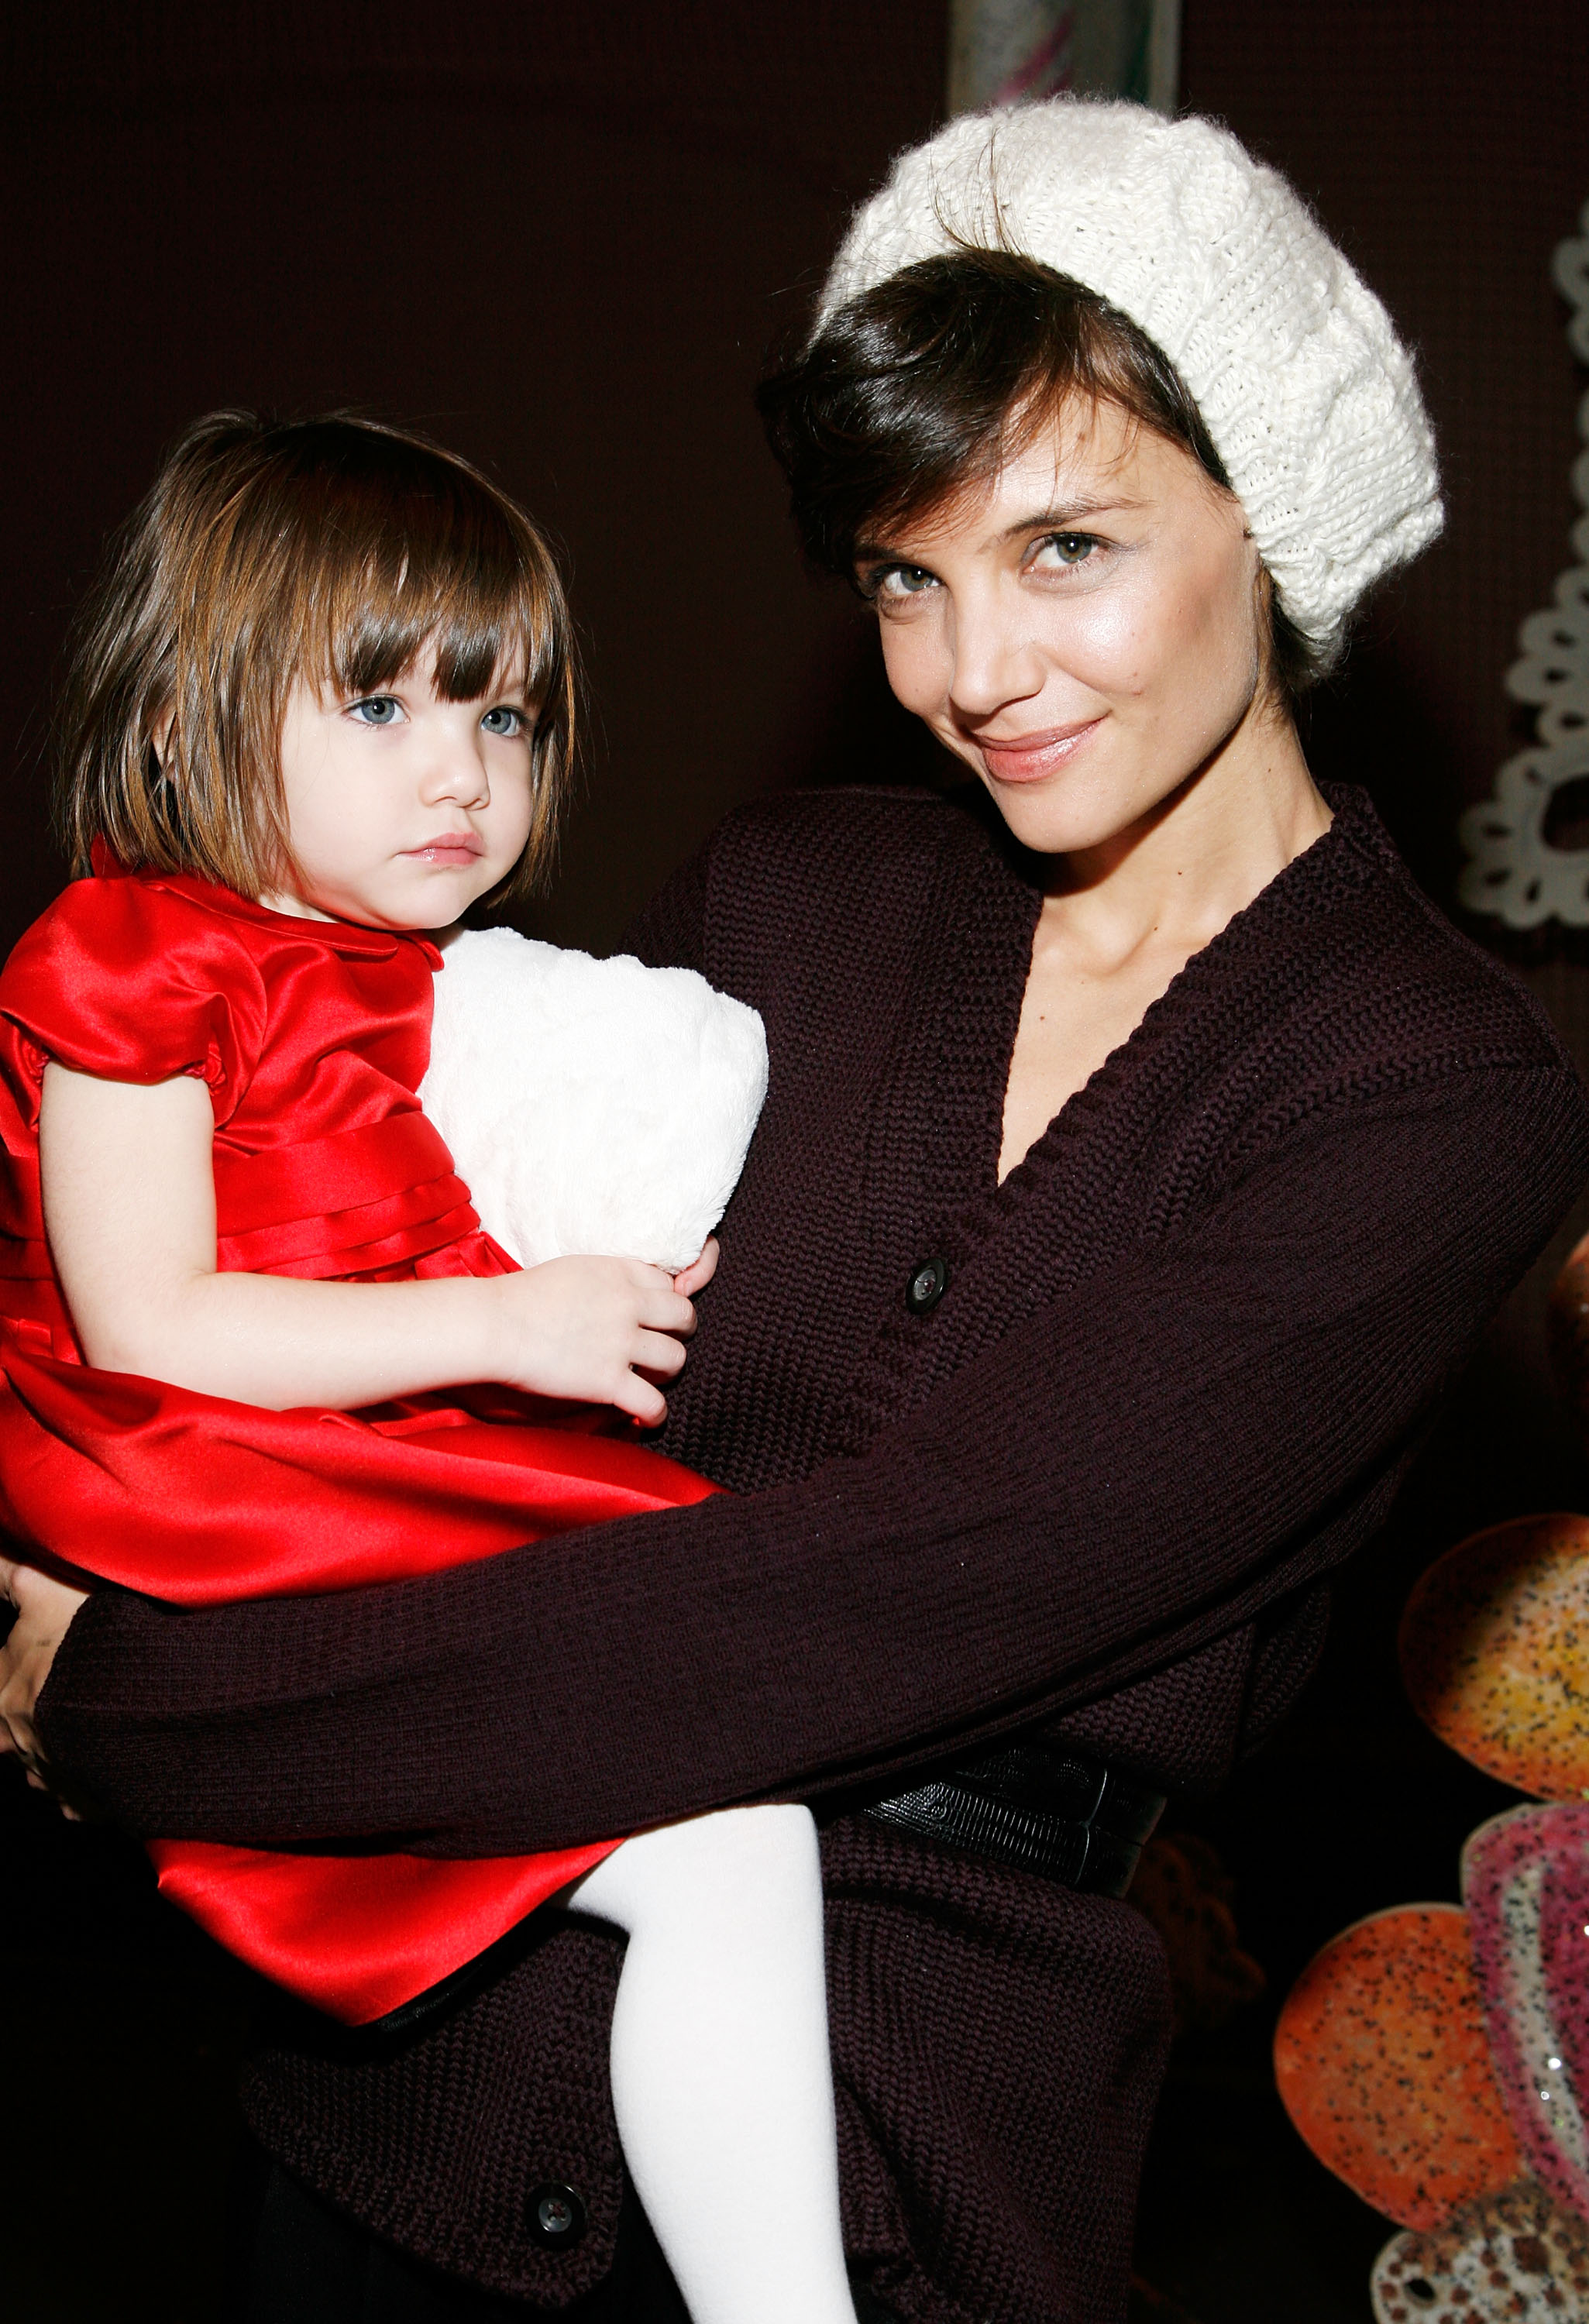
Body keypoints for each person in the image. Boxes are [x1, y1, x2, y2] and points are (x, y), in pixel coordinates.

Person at [5, 98, 1587, 2324]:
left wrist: (141, 1705)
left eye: (1064, 549)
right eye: (903, 577)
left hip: (907, 2171)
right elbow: (368, 1280)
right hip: (408, 2100)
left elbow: (919, 1582)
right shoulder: (790, 900)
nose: (971, 668)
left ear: (1270, 518)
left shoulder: (1424, 1091)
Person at [0, 411, 862, 2324]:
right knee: (720, 1793)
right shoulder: (128, 953)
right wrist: (508, 1322)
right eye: (381, 708)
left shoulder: (442, 978)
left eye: (507, 717)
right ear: (184, 718)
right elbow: (149, 1320)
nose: (463, 775)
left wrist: (602, 1272)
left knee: (736, 1823)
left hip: (369, 1447)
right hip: (203, 1480)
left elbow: (450, 1222)